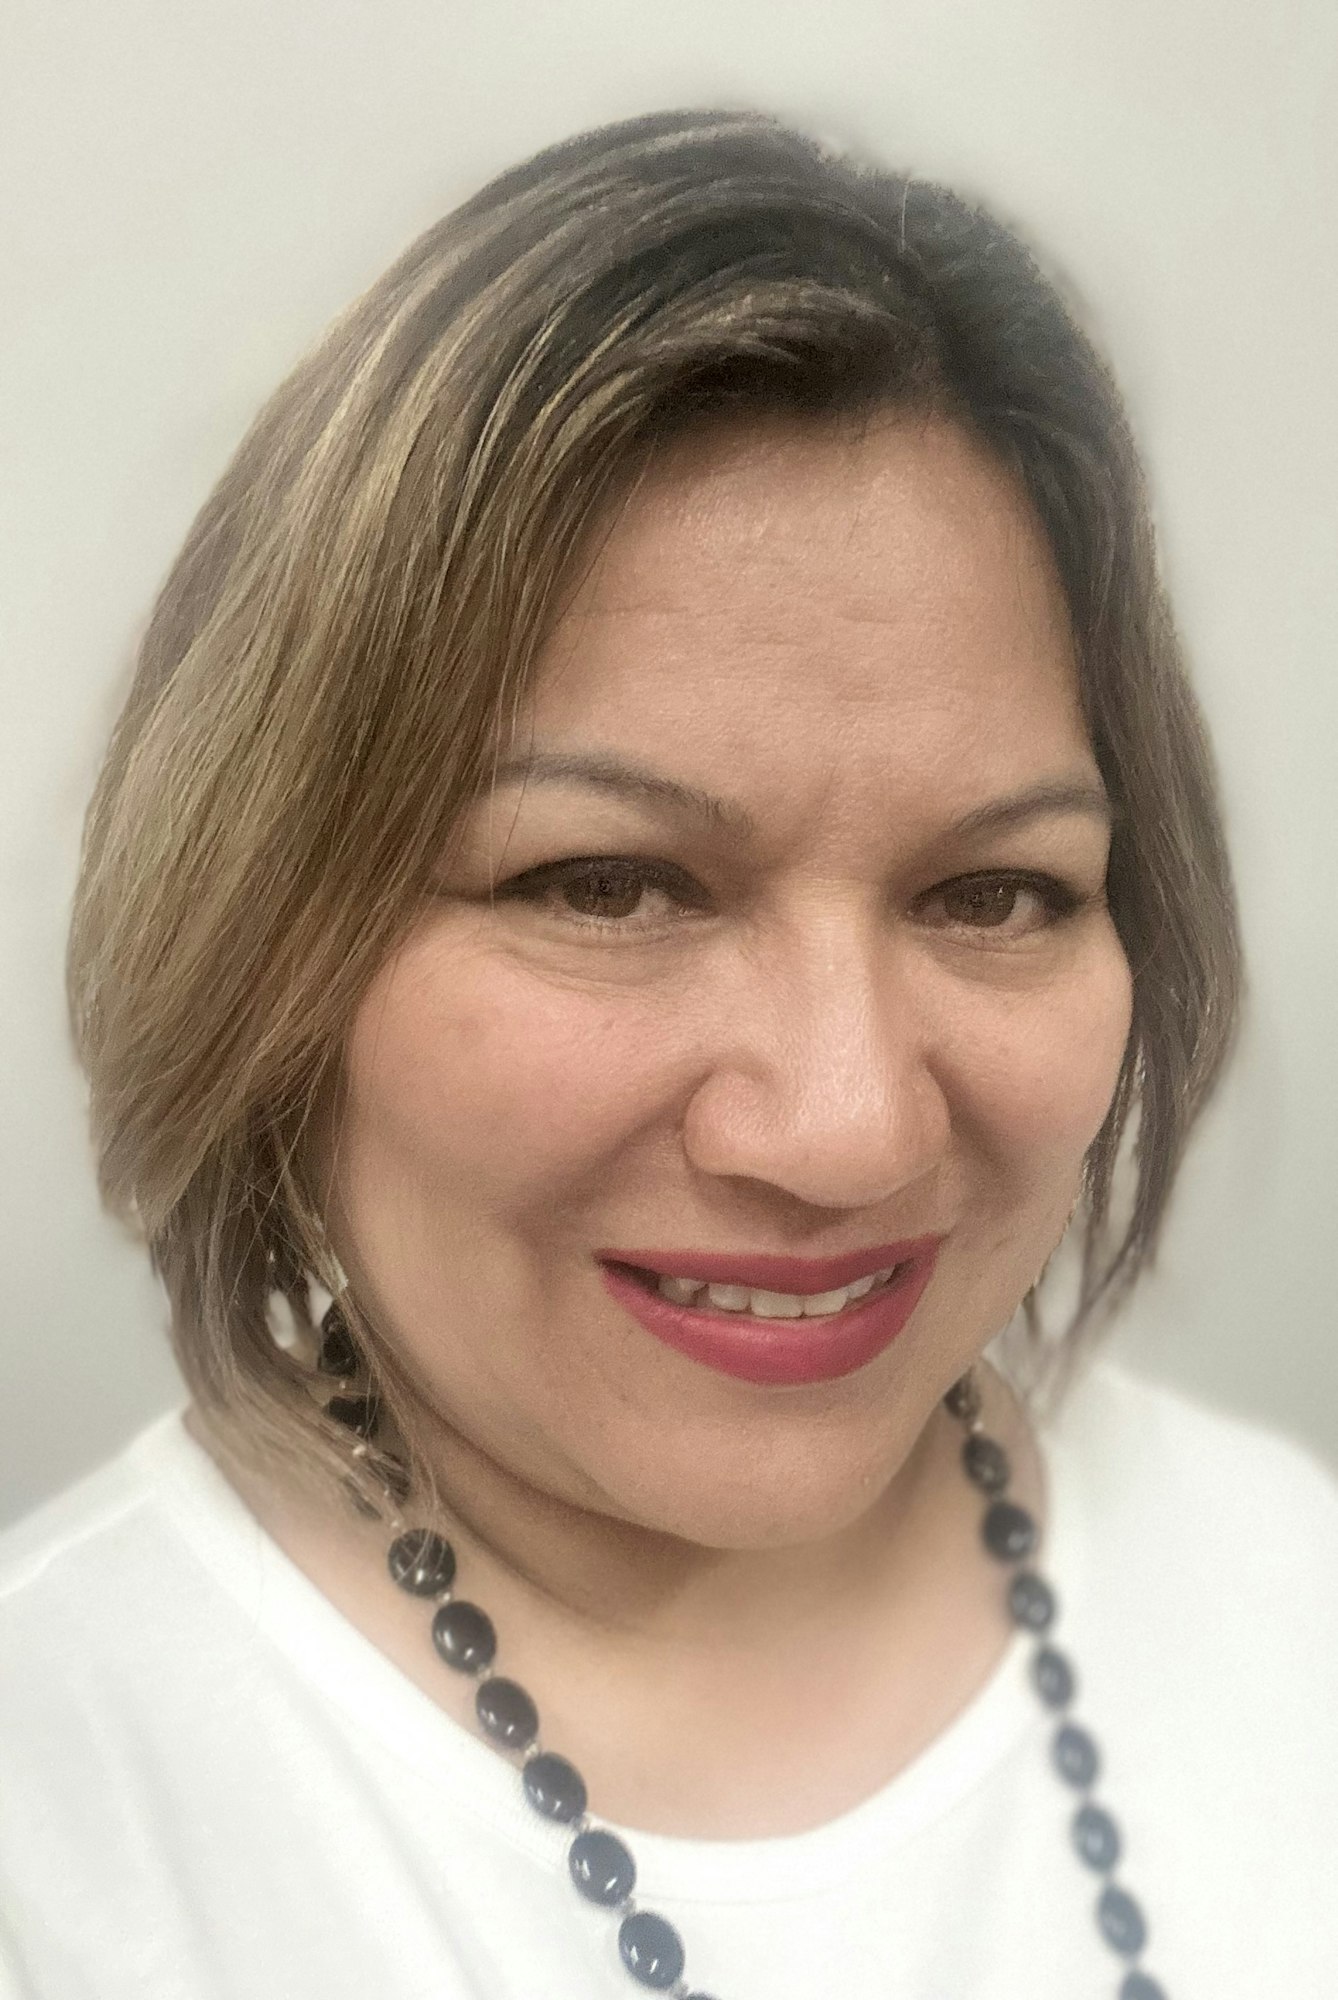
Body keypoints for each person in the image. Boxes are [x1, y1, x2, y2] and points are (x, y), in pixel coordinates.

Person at [0, 107, 1334, 2000]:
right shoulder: (65, 1848)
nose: (847, 1129)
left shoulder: (1287, 1589)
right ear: (264, 939)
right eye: (607, 885)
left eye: (993, 894)